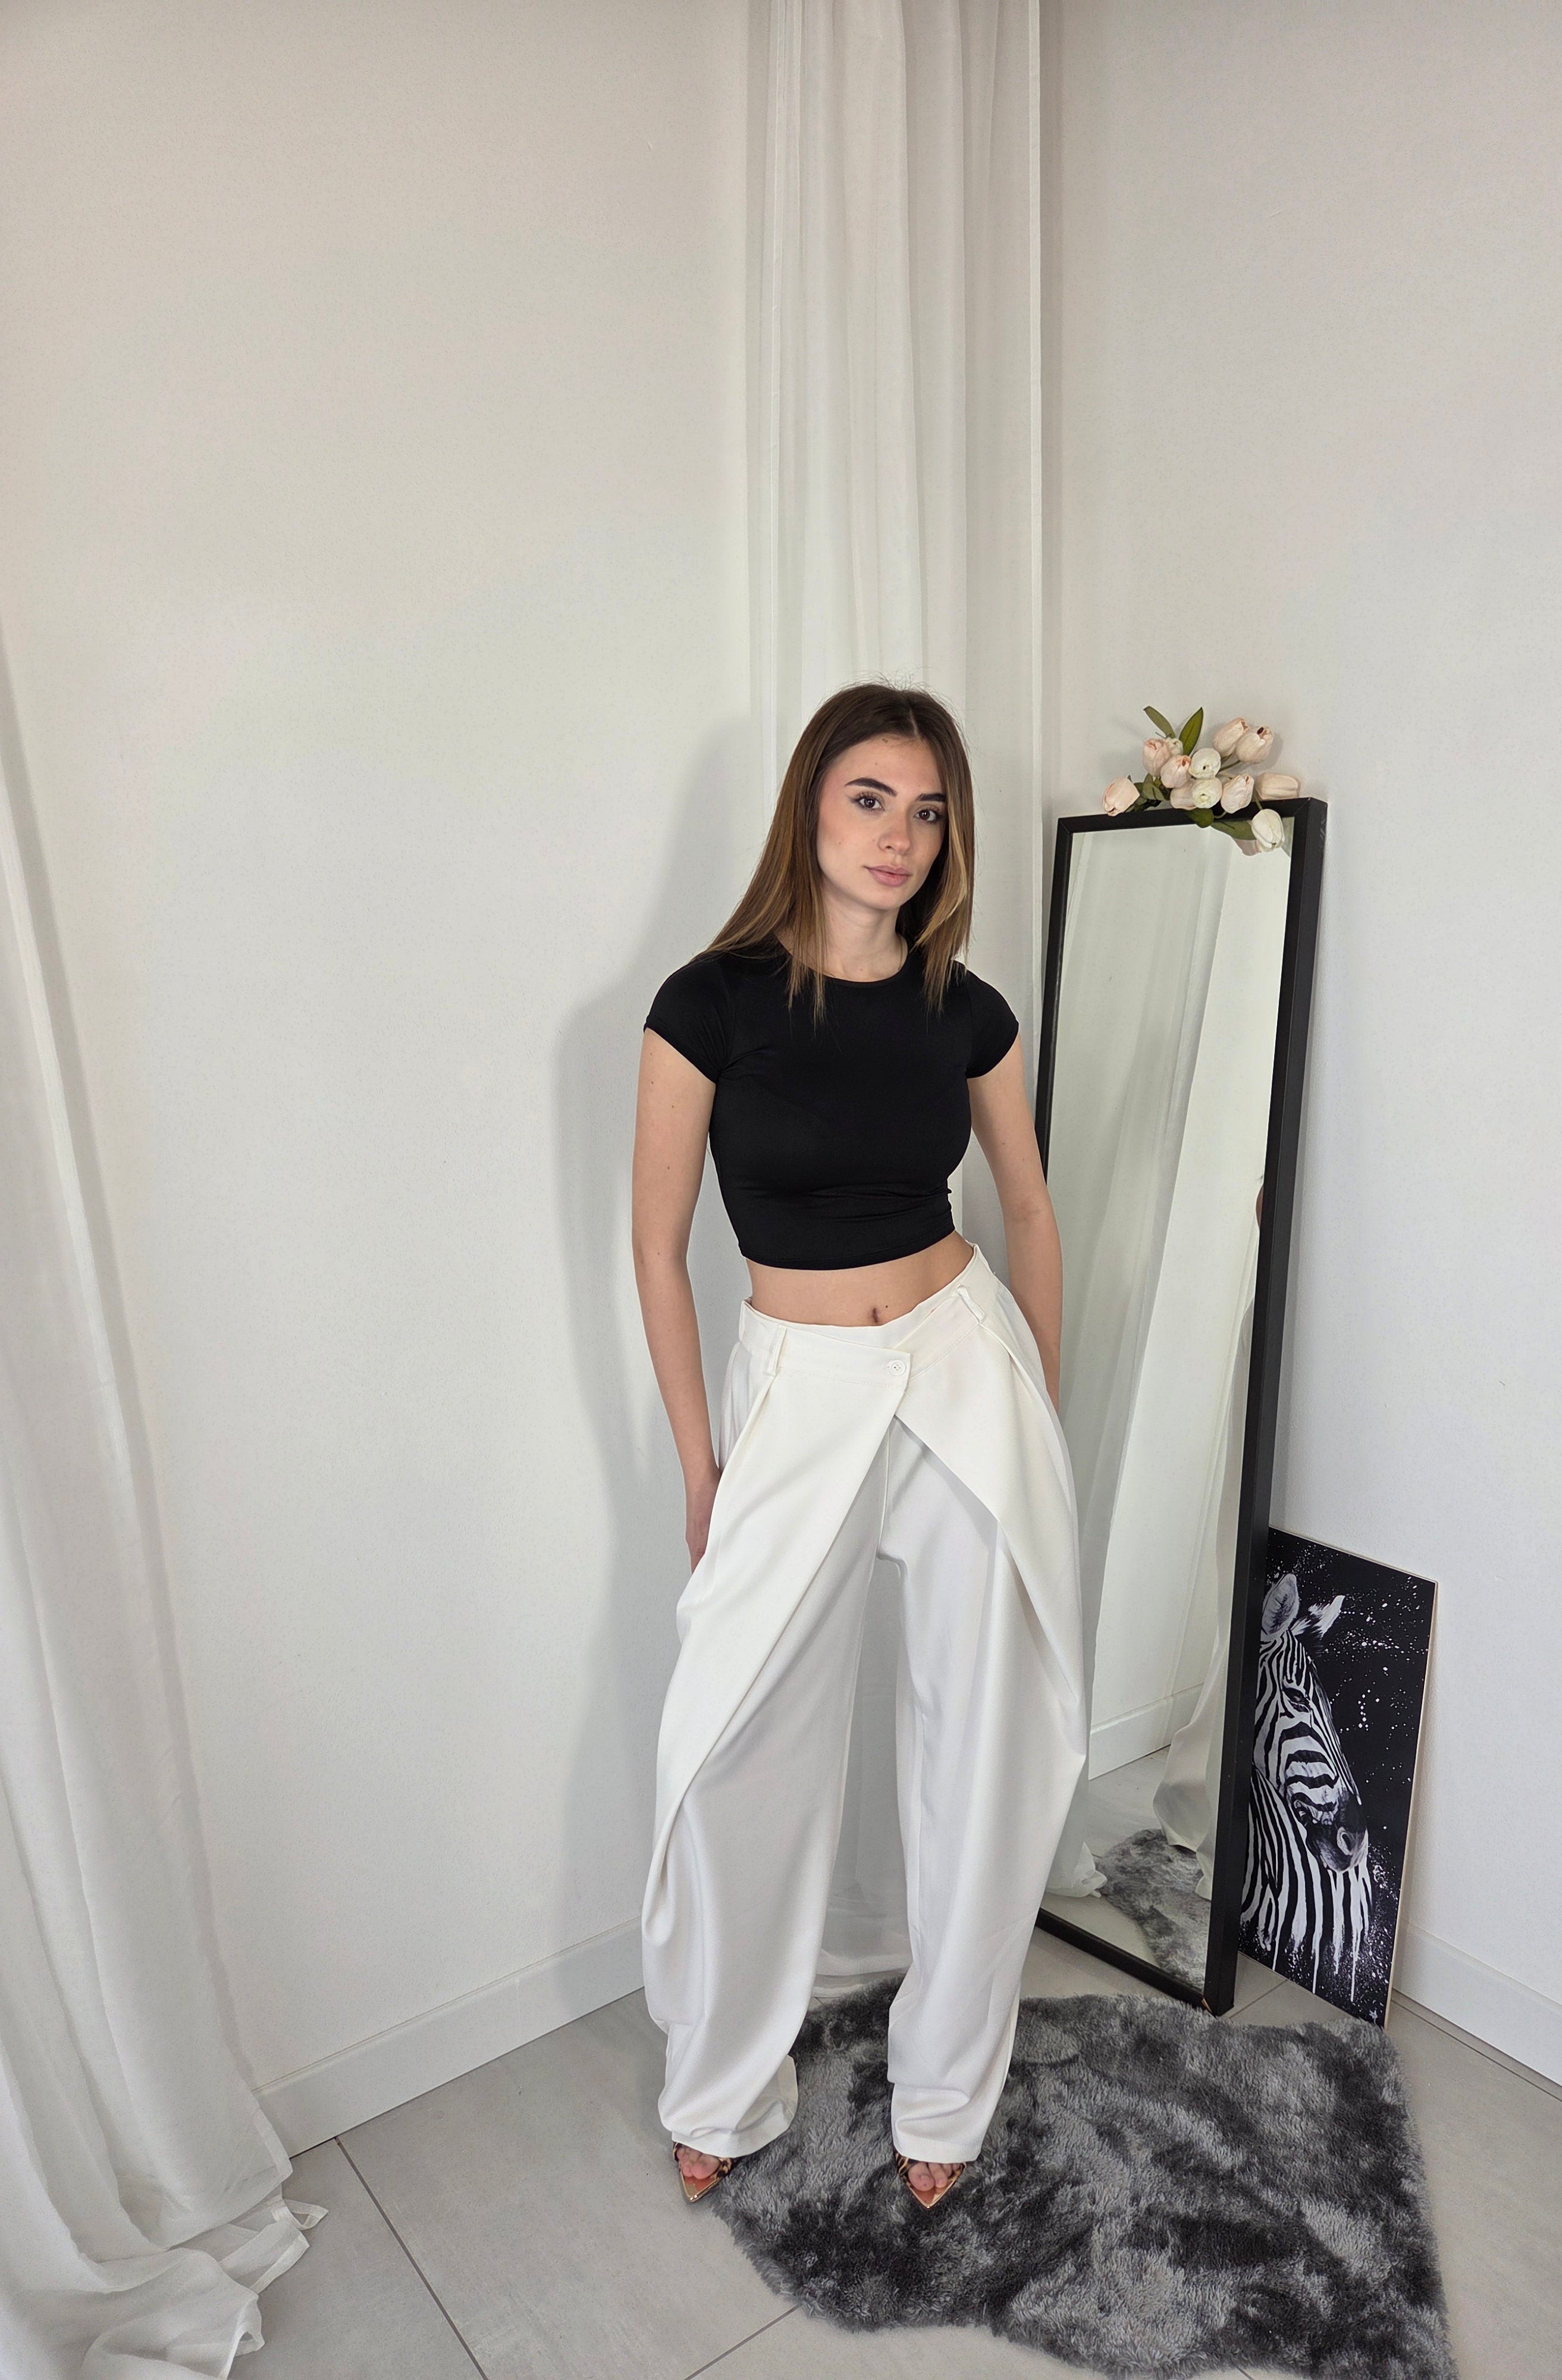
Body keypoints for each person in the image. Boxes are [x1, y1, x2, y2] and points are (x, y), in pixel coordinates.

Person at [631, 681, 1086, 2214]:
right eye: (870, 799)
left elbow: (1028, 1207)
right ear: (810, 810)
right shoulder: (710, 1003)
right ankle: (722, 2080)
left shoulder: (967, 1009)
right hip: (799, 1382)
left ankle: (945, 2094)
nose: (900, 837)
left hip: (963, 1364)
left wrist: (1043, 1409)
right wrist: (700, 1463)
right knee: (734, 1746)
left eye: (929, 811)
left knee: (989, 1741)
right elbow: (655, 1246)